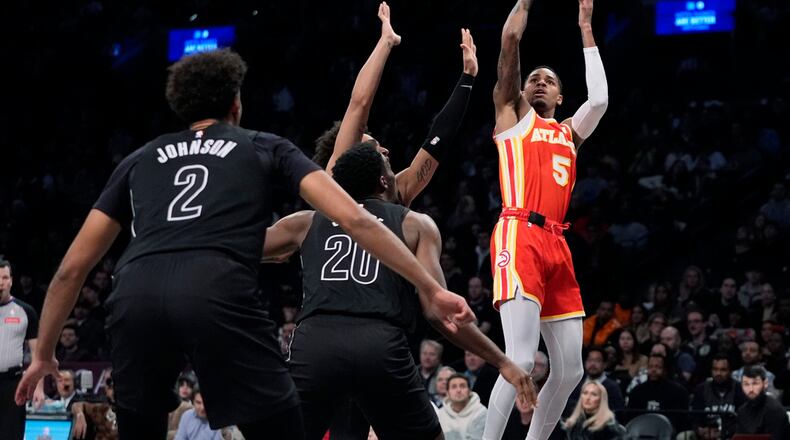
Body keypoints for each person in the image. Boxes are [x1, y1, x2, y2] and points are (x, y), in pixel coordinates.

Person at [14, 48, 473, 440]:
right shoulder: (263, 146)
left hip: (135, 293)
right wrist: (428, 286)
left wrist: (43, 353)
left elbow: (72, 269)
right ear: (236, 104)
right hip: (222, 292)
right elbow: (352, 217)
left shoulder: (139, 158)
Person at [264, 143, 535, 439]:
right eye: (390, 169)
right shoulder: (415, 224)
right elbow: (440, 314)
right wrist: (503, 362)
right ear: (383, 181)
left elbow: (237, 245)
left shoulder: (305, 221)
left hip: (315, 345)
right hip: (378, 345)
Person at [483, 0, 609, 438]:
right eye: (533, 78)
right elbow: (510, 41)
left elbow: (601, 99)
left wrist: (586, 27)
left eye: (548, 80)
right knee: (519, 359)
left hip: (557, 243)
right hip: (518, 231)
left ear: (560, 96)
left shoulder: (570, 133)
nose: (538, 82)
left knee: (571, 368)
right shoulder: (513, 117)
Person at [312, 4, 478, 210]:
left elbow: (438, 140)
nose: (385, 150)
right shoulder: (337, 187)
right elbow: (359, 105)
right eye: (373, 148)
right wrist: (386, 42)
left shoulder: (396, 191)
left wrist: (467, 77)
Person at [0, 258, 45, 440]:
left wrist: (39, 387)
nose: (0, 283)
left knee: (12, 435)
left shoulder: (26, 312)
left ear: (11, 280)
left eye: (4, 278)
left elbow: (38, 355)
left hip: (13, 384)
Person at [690, 355, 746, 440]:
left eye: (723, 370)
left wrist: (724, 432)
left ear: (730, 371)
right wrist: (701, 430)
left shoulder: (740, 389)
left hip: (732, 435)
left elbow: (743, 421)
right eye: (715, 369)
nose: (718, 373)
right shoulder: (701, 389)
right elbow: (695, 418)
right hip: (707, 434)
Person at [734, 366, 789, 440]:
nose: (751, 389)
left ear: (765, 383)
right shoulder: (742, 411)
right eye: (746, 384)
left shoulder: (775, 410)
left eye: (755, 383)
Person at [437, 374, 488, 440]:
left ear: (469, 391)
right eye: (454, 387)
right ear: (447, 393)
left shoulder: (481, 412)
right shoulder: (440, 414)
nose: (458, 390)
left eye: (462, 386)